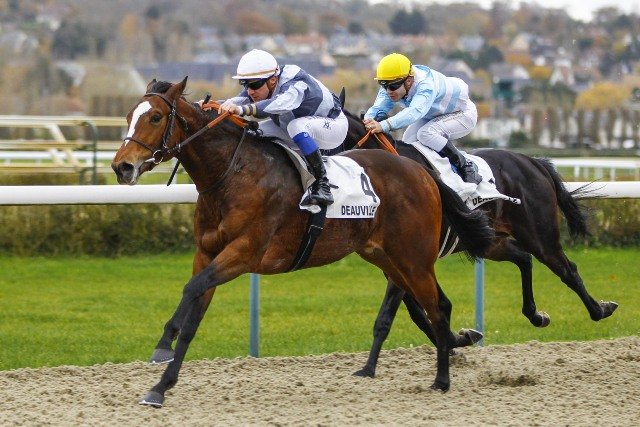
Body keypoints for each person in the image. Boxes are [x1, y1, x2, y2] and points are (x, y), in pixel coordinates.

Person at [214, 49, 348, 206]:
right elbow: (238, 100)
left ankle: (322, 185)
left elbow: (280, 104)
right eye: (245, 84)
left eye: (254, 85)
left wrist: (242, 110)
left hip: (333, 126)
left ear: (272, 80)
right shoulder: (264, 81)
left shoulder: (295, 81)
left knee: (296, 126)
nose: (250, 91)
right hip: (293, 126)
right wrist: (209, 105)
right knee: (252, 132)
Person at [363, 53, 482, 184]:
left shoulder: (425, 85)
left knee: (426, 134)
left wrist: (383, 125)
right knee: (407, 142)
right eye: (384, 86)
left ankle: (465, 165)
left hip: (462, 114)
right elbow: (378, 107)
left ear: (408, 81)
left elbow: (414, 112)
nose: (388, 91)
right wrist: (367, 120)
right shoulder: (393, 82)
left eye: (392, 87)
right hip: (434, 116)